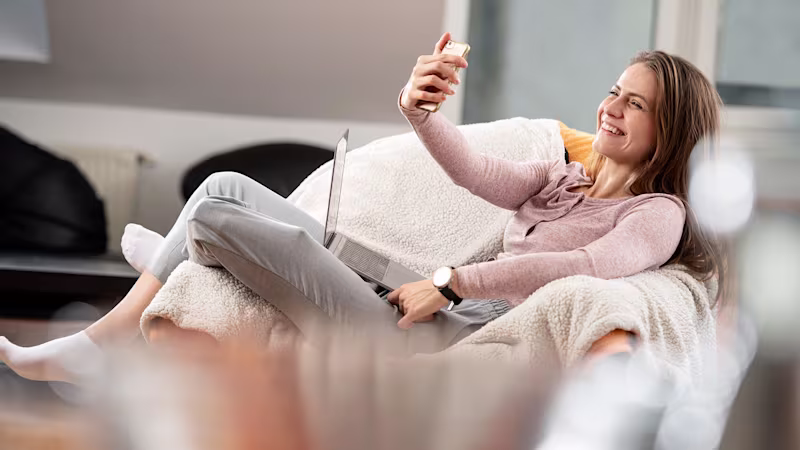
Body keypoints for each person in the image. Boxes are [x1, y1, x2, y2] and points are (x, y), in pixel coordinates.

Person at [0, 32, 724, 384]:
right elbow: (474, 171)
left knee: (215, 218)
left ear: (674, 129)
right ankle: (161, 278)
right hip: (425, 297)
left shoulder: (657, 215)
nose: (613, 107)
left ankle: (173, 272)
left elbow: (585, 267)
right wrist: (418, 111)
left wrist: (449, 283)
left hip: (444, 330)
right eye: (614, 92)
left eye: (639, 103)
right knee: (221, 188)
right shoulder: (565, 176)